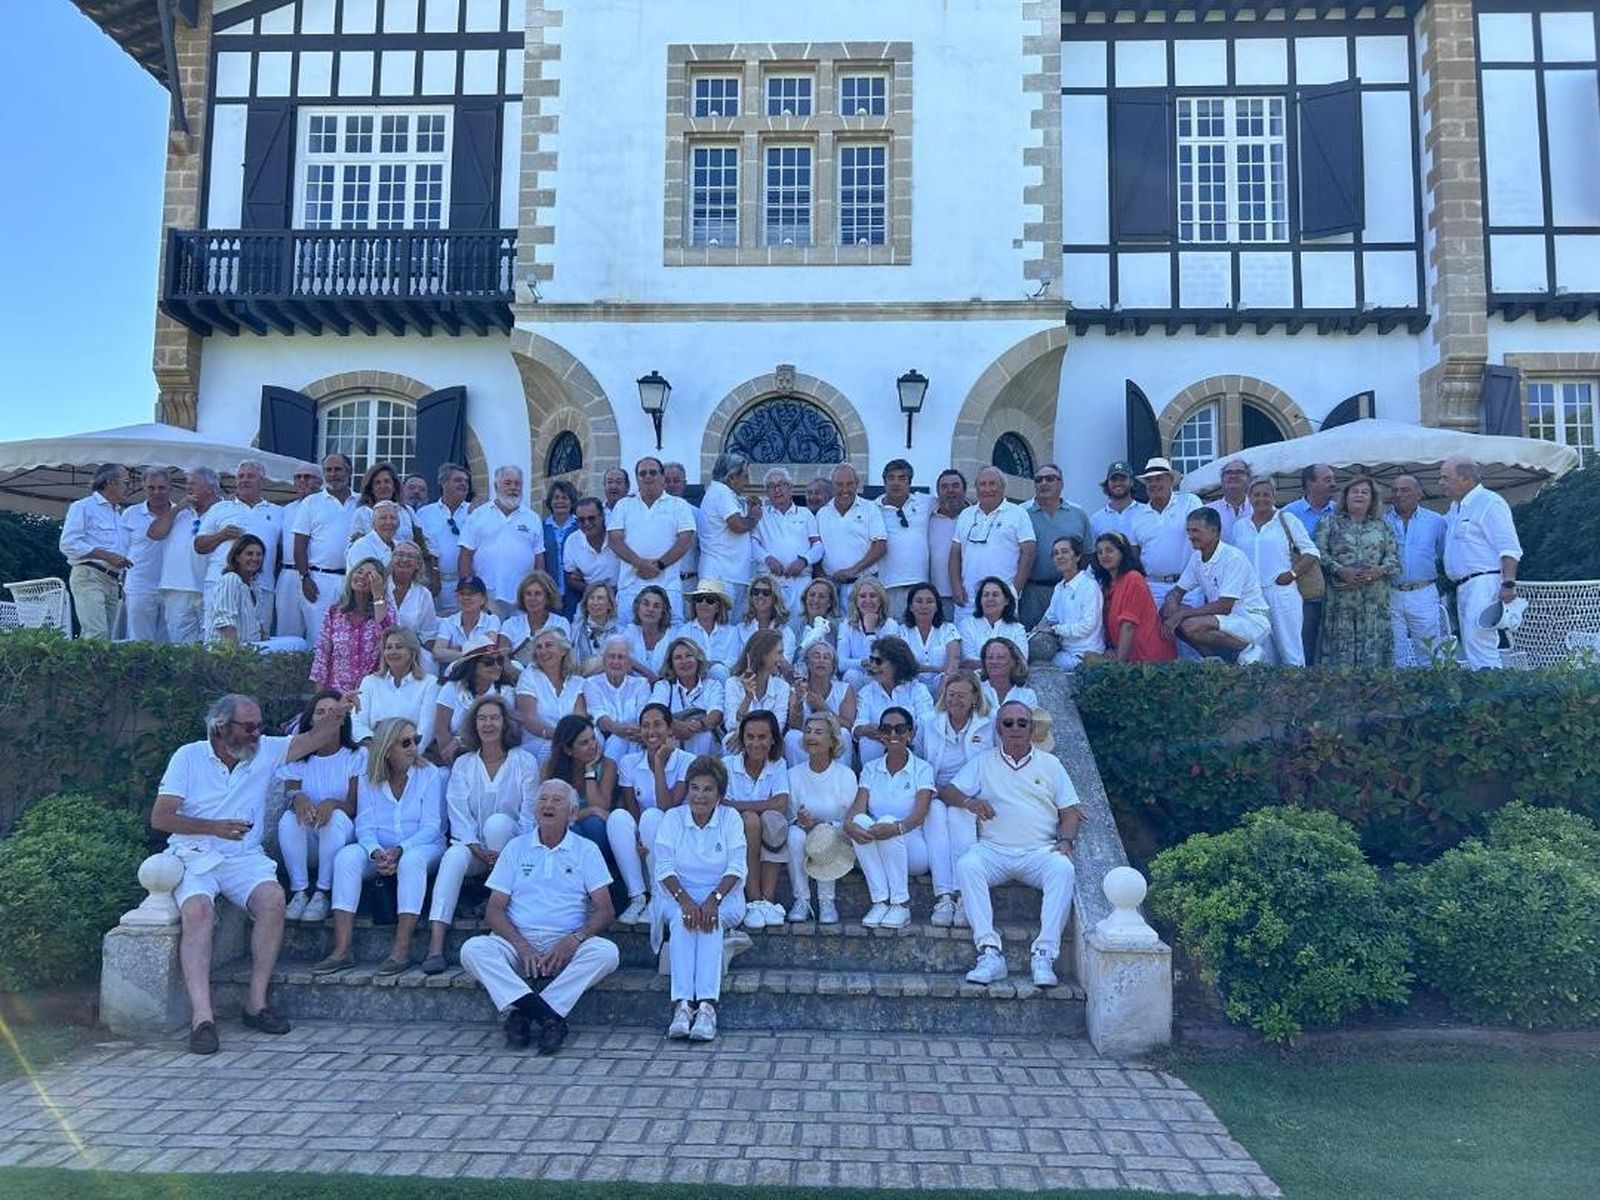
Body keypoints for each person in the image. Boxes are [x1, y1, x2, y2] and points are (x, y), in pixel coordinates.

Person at [151, 692, 353, 1052]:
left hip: (244, 855)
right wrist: (214, 828)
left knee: (274, 900)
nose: (257, 733)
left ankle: (256, 1005)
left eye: (260, 726)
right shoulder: (188, 756)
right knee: (197, 912)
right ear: (221, 727)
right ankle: (202, 1019)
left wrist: (339, 711)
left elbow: (314, 738)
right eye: (249, 727)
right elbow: (161, 817)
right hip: (195, 853)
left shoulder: (265, 750)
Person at [459, 778, 620, 1053]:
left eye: (557, 800)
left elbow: (606, 910)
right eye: (543, 799)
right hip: (517, 944)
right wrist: (522, 947)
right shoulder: (515, 848)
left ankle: (522, 1013)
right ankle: (548, 1017)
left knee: (607, 953)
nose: (548, 805)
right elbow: (494, 910)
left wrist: (573, 940)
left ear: (572, 813)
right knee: (472, 949)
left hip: (567, 945)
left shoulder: (586, 850)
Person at [951, 701, 1080, 987]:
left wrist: (1066, 841)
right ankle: (989, 952)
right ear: (999, 729)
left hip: (1039, 851)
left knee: (1063, 869)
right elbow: (949, 791)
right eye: (1008, 723)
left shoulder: (1051, 764)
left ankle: (1044, 954)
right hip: (994, 850)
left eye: (1022, 723)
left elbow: (1070, 811)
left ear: (1032, 729)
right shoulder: (983, 762)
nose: (1015, 728)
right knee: (968, 865)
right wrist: (969, 802)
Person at [313, 717, 445, 976]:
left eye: (416, 740)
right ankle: (342, 951)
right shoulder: (368, 778)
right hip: (380, 849)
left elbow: (431, 827)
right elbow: (364, 826)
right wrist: (376, 852)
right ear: (387, 748)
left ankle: (401, 951)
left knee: (411, 862)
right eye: (405, 742)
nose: (413, 747)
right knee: (346, 858)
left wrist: (400, 850)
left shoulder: (428, 773)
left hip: (423, 845)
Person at [423, 695, 540, 974]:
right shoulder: (464, 764)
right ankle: (435, 945)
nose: (488, 724)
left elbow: (528, 816)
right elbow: (458, 813)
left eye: (494, 718)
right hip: (475, 849)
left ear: (505, 723)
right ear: (473, 725)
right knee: (453, 856)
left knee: (498, 824)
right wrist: (476, 848)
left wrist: (505, 854)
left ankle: (497, 907)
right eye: (482, 718)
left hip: (513, 850)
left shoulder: (524, 761)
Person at [654, 755, 748, 1041]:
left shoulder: (730, 818)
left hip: (724, 896)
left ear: (719, 794)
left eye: (708, 789)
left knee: (709, 921)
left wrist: (712, 900)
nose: (699, 795)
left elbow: (736, 867)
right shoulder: (673, 818)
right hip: (676, 895)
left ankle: (707, 1007)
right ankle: (683, 1006)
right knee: (683, 921)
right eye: (694, 788)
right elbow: (663, 867)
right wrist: (685, 901)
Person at [846, 706, 937, 929]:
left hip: (913, 847)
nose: (893, 734)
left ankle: (901, 904)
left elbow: (919, 814)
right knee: (860, 822)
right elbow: (858, 807)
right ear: (880, 734)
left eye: (900, 729)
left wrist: (896, 828)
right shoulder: (870, 768)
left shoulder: (923, 768)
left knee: (886, 821)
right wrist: (849, 825)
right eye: (886, 729)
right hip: (879, 844)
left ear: (911, 733)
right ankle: (879, 901)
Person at [276, 690, 361, 924]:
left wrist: (332, 804)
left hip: (341, 839)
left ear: (342, 719)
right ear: (310, 719)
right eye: (320, 712)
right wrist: (299, 798)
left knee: (336, 819)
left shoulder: (355, 756)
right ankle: (300, 891)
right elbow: (290, 793)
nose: (326, 717)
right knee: (288, 819)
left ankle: (323, 892)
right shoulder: (297, 757)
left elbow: (353, 806)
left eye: (332, 712)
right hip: (309, 842)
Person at [607, 701, 695, 926]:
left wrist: (658, 764)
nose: (651, 731)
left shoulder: (687, 761)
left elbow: (667, 808)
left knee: (653, 816)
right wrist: (638, 839)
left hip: (675, 838)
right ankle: (637, 896)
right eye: (645, 726)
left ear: (670, 729)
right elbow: (632, 807)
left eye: (657, 725)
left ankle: (658, 897)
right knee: (618, 817)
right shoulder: (628, 763)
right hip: (646, 841)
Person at [920, 670, 990, 928]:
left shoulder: (989, 723)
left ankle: (963, 895)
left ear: (975, 697)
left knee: (960, 814)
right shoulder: (928, 721)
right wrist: (932, 789)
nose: (954, 700)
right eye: (950, 695)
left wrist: (966, 797)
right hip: (936, 789)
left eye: (961, 695)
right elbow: (920, 759)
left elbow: (990, 764)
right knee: (936, 813)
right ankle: (944, 896)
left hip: (972, 792)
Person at [1159, 508, 1273, 664]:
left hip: (1250, 618)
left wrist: (1182, 614)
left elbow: (1225, 606)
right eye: (1189, 531)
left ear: (1214, 532)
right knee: (1166, 612)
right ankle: (1218, 661)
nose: (1190, 536)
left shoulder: (1233, 558)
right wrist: (1172, 606)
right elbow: (1178, 591)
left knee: (1191, 626)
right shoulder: (1197, 557)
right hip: (1225, 618)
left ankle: (1249, 649)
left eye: (1196, 531)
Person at [1231, 478, 1318, 666]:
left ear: (1274, 497)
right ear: (1249, 497)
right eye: (1256, 495)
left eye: (1266, 494)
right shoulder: (1240, 526)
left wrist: (1292, 574)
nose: (1261, 499)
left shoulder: (1287, 520)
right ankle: (1266, 684)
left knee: (1290, 648)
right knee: (1258, 649)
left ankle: (1295, 683)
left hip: (1281, 592)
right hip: (1251, 597)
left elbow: (1311, 552)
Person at [1315, 476, 1401, 668]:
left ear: (1372, 498)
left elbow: (1394, 558)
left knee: (1374, 648)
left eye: (1365, 492)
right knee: (1341, 649)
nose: (1359, 495)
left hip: (1374, 600)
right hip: (1341, 599)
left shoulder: (1383, 525)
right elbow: (1318, 553)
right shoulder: (1329, 522)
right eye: (1354, 492)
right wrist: (1339, 570)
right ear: (1345, 497)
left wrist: (1380, 570)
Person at [719, 711, 791, 931]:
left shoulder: (778, 764)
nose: (756, 743)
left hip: (767, 830)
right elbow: (722, 805)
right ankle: (754, 899)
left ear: (773, 740)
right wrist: (756, 809)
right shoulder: (727, 765)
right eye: (750, 737)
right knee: (751, 821)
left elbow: (781, 803)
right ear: (742, 739)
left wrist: (739, 805)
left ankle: (767, 902)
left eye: (762, 737)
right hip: (732, 832)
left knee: (772, 821)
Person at [784, 713, 859, 923]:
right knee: (794, 835)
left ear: (833, 740)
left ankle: (827, 900)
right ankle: (802, 900)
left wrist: (821, 824)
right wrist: (800, 820)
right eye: (808, 731)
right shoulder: (793, 775)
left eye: (818, 732)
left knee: (824, 834)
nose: (811, 736)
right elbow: (789, 817)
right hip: (803, 835)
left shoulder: (846, 775)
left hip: (838, 840)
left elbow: (850, 822)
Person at [196, 459, 281, 637]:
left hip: (261, 587)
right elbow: (199, 546)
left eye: (250, 476)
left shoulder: (278, 512)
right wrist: (221, 535)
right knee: (217, 635)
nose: (244, 480)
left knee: (258, 637)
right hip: (221, 583)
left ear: (262, 482)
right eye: (240, 476)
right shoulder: (220, 508)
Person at [608, 456, 697, 615]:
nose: (648, 476)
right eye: (643, 473)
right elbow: (615, 541)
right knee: (628, 630)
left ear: (662, 477)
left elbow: (685, 541)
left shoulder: (679, 505)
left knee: (670, 629)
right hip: (630, 587)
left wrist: (659, 566)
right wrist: (640, 564)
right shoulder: (623, 505)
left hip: (668, 588)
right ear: (637, 479)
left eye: (653, 472)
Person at [458, 466, 543, 618]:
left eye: (517, 484)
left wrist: (538, 590)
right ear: (496, 486)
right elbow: (465, 555)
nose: (513, 488)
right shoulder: (478, 516)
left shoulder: (533, 518)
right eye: (507, 483)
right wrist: (469, 591)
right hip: (486, 597)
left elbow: (539, 558)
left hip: (523, 597)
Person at [953, 466, 1037, 619]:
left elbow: (1029, 553)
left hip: (1002, 600)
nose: (987, 489)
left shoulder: (1018, 513)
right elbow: (954, 554)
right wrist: (956, 586)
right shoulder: (966, 515)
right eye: (982, 484)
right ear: (976, 488)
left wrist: (1014, 591)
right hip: (968, 599)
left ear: (1003, 487)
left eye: (992, 484)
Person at [292, 453, 358, 645]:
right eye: (328, 470)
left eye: (338, 469)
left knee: (348, 639)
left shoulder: (362, 502)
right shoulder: (311, 503)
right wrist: (305, 578)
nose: (332, 474)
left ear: (350, 471)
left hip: (354, 581)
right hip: (320, 581)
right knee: (319, 639)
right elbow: (299, 545)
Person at [1385, 473, 1449, 666]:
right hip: (1390, 593)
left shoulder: (1436, 521)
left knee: (1430, 652)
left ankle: (1431, 685)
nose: (1398, 494)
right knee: (1394, 653)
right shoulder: (1382, 521)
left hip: (1423, 593)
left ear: (1419, 494)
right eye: (1395, 490)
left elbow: (1444, 554)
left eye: (1405, 490)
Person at [539, 714, 618, 866]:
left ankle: (600, 870)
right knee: (571, 828)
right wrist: (591, 810)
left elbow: (601, 807)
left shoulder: (608, 765)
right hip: (566, 828)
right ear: (568, 750)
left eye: (593, 738)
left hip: (598, 832)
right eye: (584, 743)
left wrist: (590, 770)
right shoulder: (550, 769)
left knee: (594, 824)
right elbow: (552, 813)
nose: (593, 746)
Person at [207, 534, 305, 651]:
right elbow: (224, 623)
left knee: (297, 643)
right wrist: (235, 654)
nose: (255, 558)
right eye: (249, 554)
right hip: (229, 649)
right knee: (298, 645)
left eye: (259, 554)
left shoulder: (254, 585)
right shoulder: (231, 579)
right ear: (237, 557)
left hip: (251, 645)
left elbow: (257, 625)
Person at [120, 467, 185, 641]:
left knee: (170, 643)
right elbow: (120, 550)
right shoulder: (130, 514)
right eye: (151, 488)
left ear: (170, 488)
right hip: (139, 587)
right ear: (144, 488)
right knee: (139, 643)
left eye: (161, 487)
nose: (157, 492)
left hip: (173, 587)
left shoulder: (184, 514)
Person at [310, 558, 394, 692]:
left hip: (372, 690)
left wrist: (378, 595)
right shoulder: (334, 612)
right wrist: (319, 697)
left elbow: (387, 638)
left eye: (370, 575)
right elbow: (322, 654)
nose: (362, 577)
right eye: (359, 572)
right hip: (336, 692)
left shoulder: (386, 610)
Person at [1018, 463, 1086, 628]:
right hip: (1032, 593)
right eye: (1039, 479)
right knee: (1031, 637)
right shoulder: (1021, 513)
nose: (1044, 483)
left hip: (1069, 591)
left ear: (1061, 483)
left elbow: (1088, 554)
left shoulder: (1078, 514)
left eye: (1050, 479)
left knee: (1069, 635)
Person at [1128, 457, 1202, 608]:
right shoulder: (1137, 516)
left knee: (1189, 622)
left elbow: (1203, 539)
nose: (1154, 484)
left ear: (1170, 480)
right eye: (1149, 480)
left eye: (1159, 478)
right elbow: (1134, 555)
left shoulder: (1189, 502)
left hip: (1189, 584)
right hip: (1152, 586)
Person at [1093, 532, 1176, 663]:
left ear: (1123, 552)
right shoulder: (1107, 586)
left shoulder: (1133, 579)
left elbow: (1128, 625)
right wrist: (1111, 648)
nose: (1104, 555)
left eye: (1109, 550)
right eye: (1100, 552)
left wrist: (1118, 666)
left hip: (1150, 659)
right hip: (1130, 657)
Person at [1284, 463, 1338, 665]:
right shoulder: (1288, 514)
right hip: (1305, 587)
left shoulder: (1340, 511)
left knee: (1334, 638)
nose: (1333, 483)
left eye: (1333, 479)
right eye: (1327, 479)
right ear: (1310, 483)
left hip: (1338, 584)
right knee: (1306, 637)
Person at [159, 468, 220, 645]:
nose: (188, 487)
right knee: (180, 645)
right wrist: (177, 508)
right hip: (177, 587)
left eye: (193, 483)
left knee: (213, 641)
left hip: (211, 586)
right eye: (187, 483)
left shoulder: (224, 510)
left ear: (210, 488)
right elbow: (154, 533)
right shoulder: (178, 512)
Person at [814, 463, 887, 610]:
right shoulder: (822, 513)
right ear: (832, 486)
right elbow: (816, 548)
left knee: (863, 623)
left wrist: (853, 571)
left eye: (849, 484)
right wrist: (823, 581)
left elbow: (880, 547)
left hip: (863, 587)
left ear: (857, 485)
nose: (845, 489)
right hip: (832, 588)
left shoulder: (870, 509)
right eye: (839, 484)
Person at [853, 635, 934, 766]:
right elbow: (858, 726)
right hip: (880, 743)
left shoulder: (918, 690)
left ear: (897, 664)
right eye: (871, 660)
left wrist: (898, 734)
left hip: (910, 743)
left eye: (878, 661)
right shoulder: (867, 692)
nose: (873, 666)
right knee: (867, 742)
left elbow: (926, 722)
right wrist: (865, 729)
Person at [353, 627, 439, 747]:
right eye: (388, 647)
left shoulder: (430, 683)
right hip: (372, 750)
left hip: (410, 751)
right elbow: (357, 721)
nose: (392, 652)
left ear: (412, 652)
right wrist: (378, 749)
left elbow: (426, 729)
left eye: (399, 647)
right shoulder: (370, 682)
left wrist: (407, 752)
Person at [434, 644, 518, 766]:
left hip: (494, 753)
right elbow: (441, 729)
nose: (497, 666)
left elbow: (504, 731)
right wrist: (450, 758)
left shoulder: (506, 692)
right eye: (489, 662)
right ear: (472, 665)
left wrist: (459, 741)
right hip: (455, 755)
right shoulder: (451, 689)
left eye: (499, 661)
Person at [697, 453, 761, 613]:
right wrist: (754, 517)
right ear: (732, 478)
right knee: (722, 623)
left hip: (729, 574)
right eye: (744, 477)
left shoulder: (721, 493)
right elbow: (737, 525)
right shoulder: (721, 492)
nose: (747, 483)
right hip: (721, 576)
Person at [753, 467, 821, 613]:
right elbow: (752, 544)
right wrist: (767, 559)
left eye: (781, 484)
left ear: (790, 488)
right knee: (771, 621)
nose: (777, 490)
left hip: (800, 580)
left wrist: (804, 561)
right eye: (771, 486)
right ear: (767, 492)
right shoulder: (761, 515)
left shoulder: (805, 514)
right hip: (770, 582)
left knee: (800, 621)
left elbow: (818, 546)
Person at [514, 628, 586, 763]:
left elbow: (580, 719)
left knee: (594, 743)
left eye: (548, 645)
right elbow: (528, 719)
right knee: (551, 750)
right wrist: (557, 736)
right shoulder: (529, 677)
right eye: (539, 647)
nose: (543, 651)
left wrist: (572, 738)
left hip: (571, 740)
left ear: (563, 651)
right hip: (538, 740)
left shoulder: (577, 682)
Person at [1033, 535, 1106, 669]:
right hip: (1064, 652)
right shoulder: (1059, 588)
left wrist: (1055, 630)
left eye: (1065, 552)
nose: (1059, 556)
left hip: (1086, 656)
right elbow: (1049, 618)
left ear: (1077, 557)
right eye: (1056, 553)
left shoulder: (1089, 586)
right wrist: (1035, 631)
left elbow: (1087, 626)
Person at [784, 639, 857, 765]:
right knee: (792, 736)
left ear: (833, 666)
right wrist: (799, 702)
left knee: (844, 734)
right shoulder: (796, 690)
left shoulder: (844, 689)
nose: (821, 660)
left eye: (826, 657)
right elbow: (794, 725)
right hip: (808, 740)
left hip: (832, 741)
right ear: (808, 663)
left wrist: (824, 708)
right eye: (816, 656)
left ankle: (841, 775)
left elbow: (848, 726)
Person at [651, 635, 725, 758]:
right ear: (671, 664)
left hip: (705, 744)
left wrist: (697, 725)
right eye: (678, 658)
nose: (684, 661)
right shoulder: (663, 686)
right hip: (673, 744)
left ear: (698, 659)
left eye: (689, 656)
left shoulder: (712, 685)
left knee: (704, 736)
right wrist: (677, 726)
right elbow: (654, 712)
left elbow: (716, 715)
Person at [582, 636, 652, 764]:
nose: (616, 661)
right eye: (611, 656)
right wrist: (620, 730)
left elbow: (644, 715)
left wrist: (636, 732)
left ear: (629, 663)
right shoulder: (591, 684)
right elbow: (600, 718)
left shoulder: (641, 684)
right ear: (604, 660)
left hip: (636, 739)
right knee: (617, 741)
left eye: (621, 657)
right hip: (603, 741)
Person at [414, 463, 473, 614]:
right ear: (443, 483)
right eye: (458, 480)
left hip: (465, 585)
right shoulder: (424, 514)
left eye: (466, 481)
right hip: (432, 584)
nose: (463, 484)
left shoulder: (475, 513)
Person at [877, 459, 932, 614]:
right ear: (884, 482)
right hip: (887, 587)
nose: (896, 483)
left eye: (902, 478)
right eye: (891, 478)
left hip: (920, 588)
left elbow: (952, 502)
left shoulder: (925, 502)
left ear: (910, 483)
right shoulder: (873, 509)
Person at [274, 464, 323, 638]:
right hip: (288, 575)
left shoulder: (325, 506)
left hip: (316, 575)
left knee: (318, 632)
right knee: (286, 632)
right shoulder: (285, 510)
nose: (302, 480)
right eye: (298, 477)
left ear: (319, 482)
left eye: (307, 477)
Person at [722, 630, 794, 745]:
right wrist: (748, 698)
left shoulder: (782, 687)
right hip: (741, 740)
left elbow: (778, 726)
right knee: (730, 740)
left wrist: (750, 734)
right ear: (763, 654)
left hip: (767, 743)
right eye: (779, 653)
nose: (783, 659)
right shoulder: (733, 683)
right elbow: (731, 724)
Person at [837, 577, 903, 688]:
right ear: (856, 601)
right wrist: (862, 663)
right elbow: (841, 663)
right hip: (856, 680)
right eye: (862, 596)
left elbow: (886, 664)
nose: (868, 600)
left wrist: (870, 632)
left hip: (882, 680)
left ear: (880, 601)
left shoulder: (890, 625)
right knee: (852, 674)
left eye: (873, 596)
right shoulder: (846, 625)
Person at [502, 570, 572, 670]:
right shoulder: (511, 623)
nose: (532, 598)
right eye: (528, 594)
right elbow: (502, 653)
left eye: (538, 594)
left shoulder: (560, 623)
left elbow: (563, 654)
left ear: (548, 598)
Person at [431, 575, 504, 668]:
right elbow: (438, 652)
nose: (466, 598)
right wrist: (468, 654)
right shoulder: (447, 622)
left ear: (483, 599)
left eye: (471, 594)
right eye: (462, 594)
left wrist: (455, 653)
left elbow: (487, 649)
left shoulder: (492, 620)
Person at [562, 496, 620, 609]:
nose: (586, 523)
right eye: (581, 520)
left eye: (591, 518)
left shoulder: (616, 535)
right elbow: (570, 578)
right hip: (591, 601)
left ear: (602, 516)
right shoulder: (572, 541)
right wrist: (597, 592)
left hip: (621, 597)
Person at [959, 576, 1029, 668]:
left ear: (1006, 601)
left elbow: (1021, 660)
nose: (990, 599)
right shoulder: (967, 625)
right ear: (980, 600)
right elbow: (968, 660)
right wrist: (1001, 664)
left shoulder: (1017, 629)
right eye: (985, 595)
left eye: (995, 595)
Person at [901, 581, 962, 687]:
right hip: (911, 685)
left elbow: (954, 662)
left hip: (943, 684)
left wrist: (944, 678)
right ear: (910, 607)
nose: (924, 606)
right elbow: (903, 665)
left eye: (929, 601)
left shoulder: (948, 629)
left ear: (937, 607)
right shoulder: (901, 631)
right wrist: (936, 669)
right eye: (919, 601)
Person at [386, 539, 439, 658]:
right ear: (392, 559)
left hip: (412, 651)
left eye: (411, 556)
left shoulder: (424, 594)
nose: (405, 559)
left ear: (418, 564)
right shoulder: (380, 586)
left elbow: (428, 634)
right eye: (400, 555)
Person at [681, 579, 743, 680]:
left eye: (709, 600)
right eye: (699, 599)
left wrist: (713, 666)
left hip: (723, 681)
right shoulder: (684, 632)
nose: (703, 603)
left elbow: (734, 661)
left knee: (718, 670)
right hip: (693, 680)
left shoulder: (732, 632)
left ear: (718, 607)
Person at [928, 468, 969, 621]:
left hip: (971, 597)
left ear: (964, 490)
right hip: (937, 598)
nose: (950, 491)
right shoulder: (928, 519)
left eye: (955, 486)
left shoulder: (975, 517)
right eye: (944, 487)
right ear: (938, 492)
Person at [347, 463, 419, 545]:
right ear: (371, 489)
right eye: (377, 483)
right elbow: (353, 544)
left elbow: (422, 542)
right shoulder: (362, 513)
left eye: (387, 481)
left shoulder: (407, 511)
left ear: (394, 486)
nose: (383, 486)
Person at [737, 572, 797, 668]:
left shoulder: (786, 633)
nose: (760, 596)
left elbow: (781, 666)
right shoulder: (739, 629)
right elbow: (735, 662)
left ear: (775, 598)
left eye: (766, 593)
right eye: (756, 592)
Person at [541, 480, 580, 618]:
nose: (560, 501)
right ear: (550, 501)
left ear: (572, 501)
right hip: (549, 590)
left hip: (575, 590)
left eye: (564, 498)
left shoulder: (580, 525)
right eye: (556, 497)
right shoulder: (542, 527)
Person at [625, 583, 678, 682]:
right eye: (646, 604)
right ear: (638, 607)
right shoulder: (630, 631)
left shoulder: (673, 636)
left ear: (663, 611)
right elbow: (620, 658)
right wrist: (647, 673)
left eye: (656, 606)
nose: (650, 609)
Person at [1089, 461, 1147, 544]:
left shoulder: (1146, 512)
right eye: (1114, 479)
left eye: (1123, 479)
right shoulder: (1096, 520)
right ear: (1107, 483)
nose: (1118, 483)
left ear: (1131, 482)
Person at [571, 580, 622, 672]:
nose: (595, 602)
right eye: (591, 598)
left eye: (600, 598)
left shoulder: (620, 632)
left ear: (610, 604)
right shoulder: (575, 630)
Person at [978, 636, 1038, 713]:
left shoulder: (1027, 695)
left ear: (1014, 662)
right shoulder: (976, 691)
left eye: (1000, 657)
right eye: (990, 657)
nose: (994, 661)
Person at [791, 577, 841, 670]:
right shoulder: (793, 625)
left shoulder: (838, 627)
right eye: (812, 595)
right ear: (805, 599)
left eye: (821, 596)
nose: (816, 600)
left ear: (830, 603)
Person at [344, 498, 403, 571]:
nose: (389, 522)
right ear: (373, 523)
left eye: (393, 518)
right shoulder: (362, 547)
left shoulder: (399, 546)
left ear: (399, 523)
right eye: (383, 518)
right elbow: (369, 576)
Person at [1206, 458, 1253, 544]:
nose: (1233, 476)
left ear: (1249, 479)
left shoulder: (1259, 509)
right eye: (1228, 472)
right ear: (1222, 480)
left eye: (1239, 472)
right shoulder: (1208, 511)